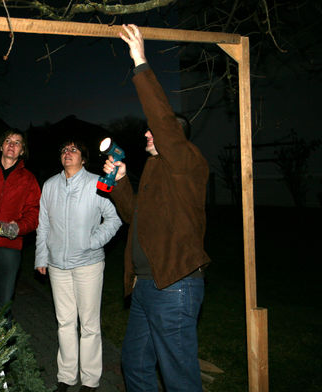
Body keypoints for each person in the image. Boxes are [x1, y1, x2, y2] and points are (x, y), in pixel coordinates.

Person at [103, 24, 211, 392]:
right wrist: (119, 182)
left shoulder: (186, 161)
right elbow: (135, 217)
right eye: (147, 132)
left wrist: (140, 62)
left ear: (174, 137)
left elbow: (163, 122)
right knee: (134, 365)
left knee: (179, 377)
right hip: (147, 286)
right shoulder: (155, 170)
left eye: (153, 132)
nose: (146, 134)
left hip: (176, 285)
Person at [35, 140, 122, 392]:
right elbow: (44, 225)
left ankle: (91, 380)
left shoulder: (96, 183)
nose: (67, 153)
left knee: (89, 325)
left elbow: (114, 218)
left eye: (73, 150)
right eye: (63, 150)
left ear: (83, 159)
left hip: (88, 265)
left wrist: (93, 241)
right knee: (64, 323)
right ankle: (66, 376)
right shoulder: (50, 186)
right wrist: (41, 257)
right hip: (57, 266)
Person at [0, 129, 41, 326]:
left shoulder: (29, 179)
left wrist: (20, 227)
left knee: (3, 303)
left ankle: (2, 351)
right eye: (8, 140)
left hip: (8, 247)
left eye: (17, 142)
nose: (12, 145)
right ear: (1, 146)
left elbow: (35, 212)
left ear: (22, 151)